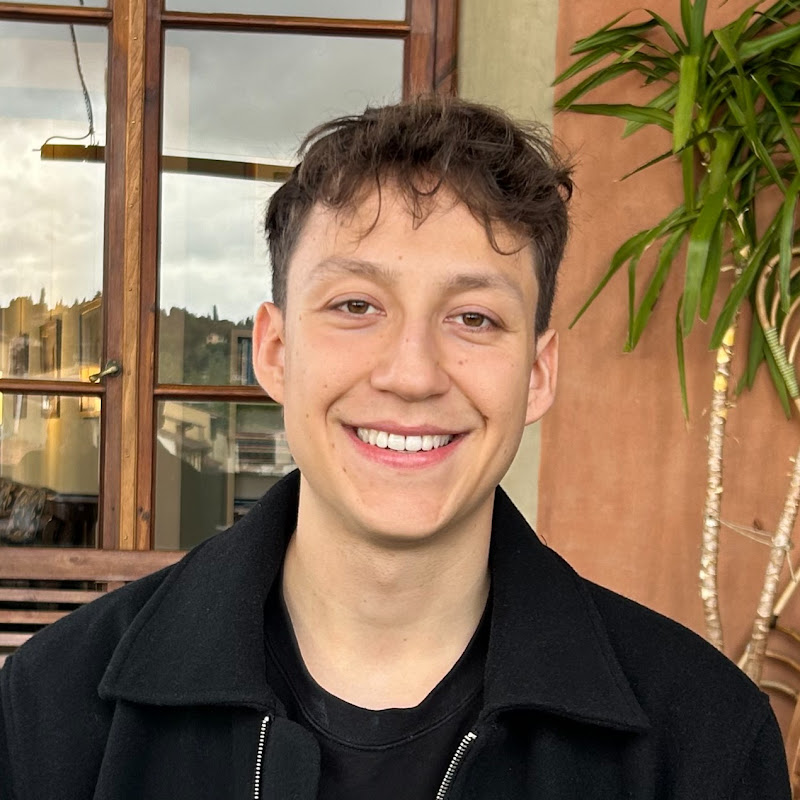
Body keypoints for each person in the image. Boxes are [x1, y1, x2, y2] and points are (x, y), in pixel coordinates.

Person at [0, 97, 790, 800]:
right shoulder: (52, 708)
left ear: (537, 375)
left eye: (474, 318)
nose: (412, 375)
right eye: (356, 305)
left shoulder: (702, 740)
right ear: (274, 350)